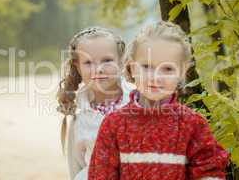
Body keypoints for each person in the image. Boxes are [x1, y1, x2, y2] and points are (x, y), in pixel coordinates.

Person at [88, 21, 229, 180]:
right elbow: (100, 175)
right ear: (132, 68)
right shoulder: (114, 125)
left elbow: (209, 173)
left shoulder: (192, 125)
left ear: (182, 72)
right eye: (147, 66)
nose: (155, 77)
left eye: (167, 69)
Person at [57, 27, 132, 180]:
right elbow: (76, 170)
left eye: (107, 60)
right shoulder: (80, 121)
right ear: (78, 67)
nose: (98, 69)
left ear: (121, 62)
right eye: (88, 62)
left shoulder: (139, 104)